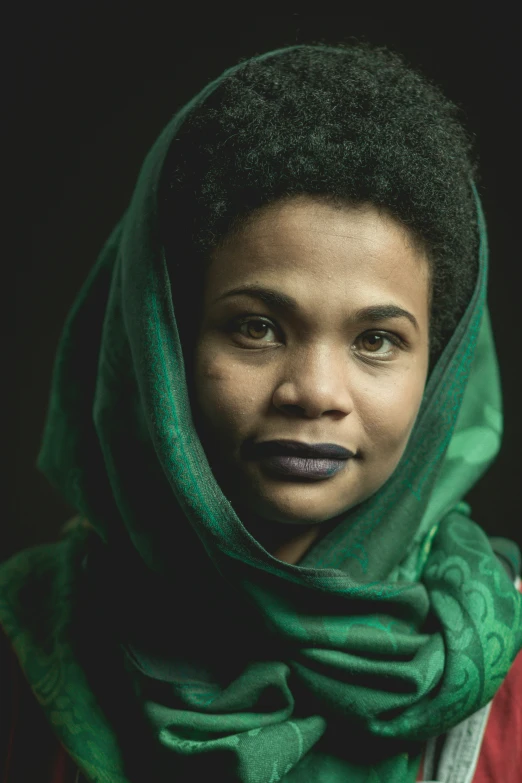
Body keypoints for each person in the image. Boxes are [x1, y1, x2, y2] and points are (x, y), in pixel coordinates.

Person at [1, 43, 521, 783]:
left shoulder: (505, 664)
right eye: (257, 327)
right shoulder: (28, 642)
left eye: (376, 340)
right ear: (165, 342)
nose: (314, 390)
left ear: (438, 374)